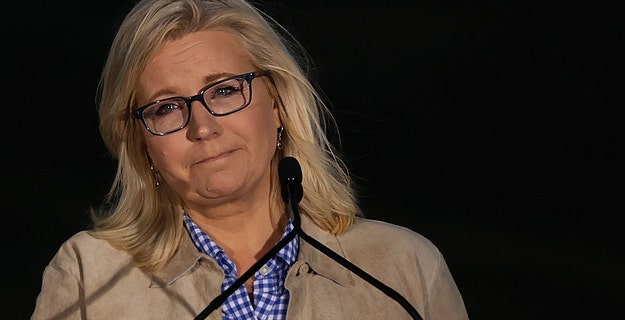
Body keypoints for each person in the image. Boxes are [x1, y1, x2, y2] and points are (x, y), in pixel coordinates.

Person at [31, 0, 469, 319]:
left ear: (277, 103)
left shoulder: (404, 269)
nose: (202, 127)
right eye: (166, 107)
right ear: (141, 141)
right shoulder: (90, 275)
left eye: (224, 90)